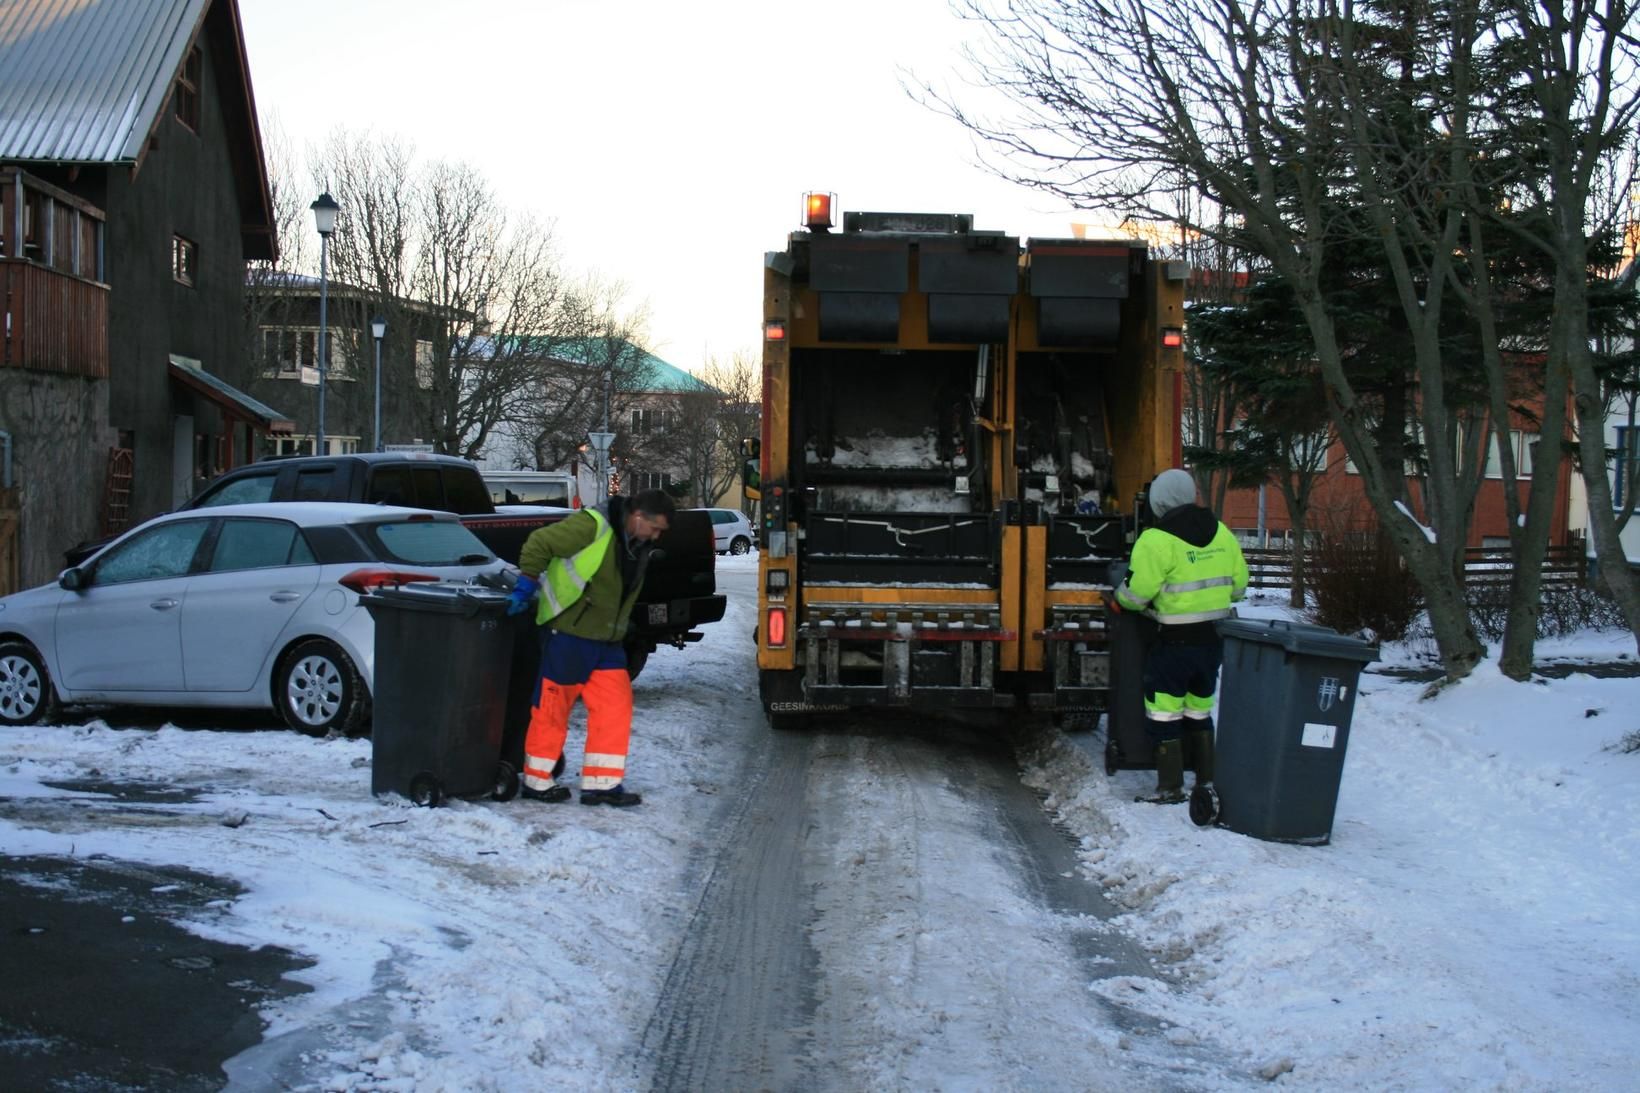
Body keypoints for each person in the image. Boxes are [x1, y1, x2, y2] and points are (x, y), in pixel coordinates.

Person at [506, 488, 676, 807]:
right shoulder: (592, 526)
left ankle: (602, 783)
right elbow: (540, 543)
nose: (657, 536)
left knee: (615, 706)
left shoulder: (637, 543)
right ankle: (536, 780)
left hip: (606, 641)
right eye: (656, 528)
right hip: (569, 633)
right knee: (552, 708)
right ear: (638, 517)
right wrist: (526, 582)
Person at [1108, 469, 1248, 804]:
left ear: (1158, 501)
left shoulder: (1156, 540)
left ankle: (1170, 787)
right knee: (1199, 710)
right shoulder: (1223, 533)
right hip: (1212, 641)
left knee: (1164, 712)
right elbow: (1240, 588)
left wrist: (1119, 598)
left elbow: (1136, 594)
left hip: (1173, 643)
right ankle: (1205, 780)